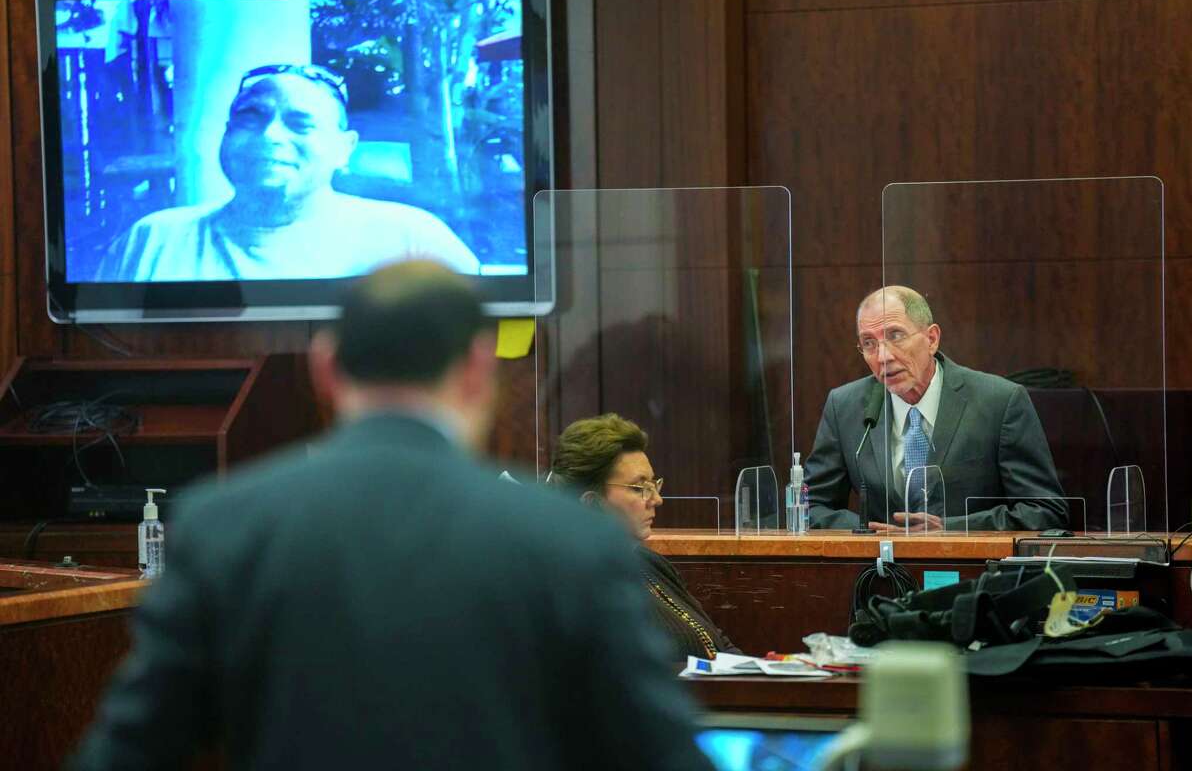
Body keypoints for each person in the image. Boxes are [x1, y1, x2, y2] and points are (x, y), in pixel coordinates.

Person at [69, 262, 712, 771]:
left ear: (325, 367)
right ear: (478, 370)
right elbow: (657, 752)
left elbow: (129, 752)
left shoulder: (222, 528)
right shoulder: (570, 538)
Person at [97, 63, 480, 282]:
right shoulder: (151, 241)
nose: (270, 135)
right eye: (250, 118)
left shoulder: (410, 241)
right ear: (226, 134)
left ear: (343, 149)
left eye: (300, 124)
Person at [804, 285, 1067, 532]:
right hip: (880, 574)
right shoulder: (845, 406)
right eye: (869, 343)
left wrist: (947, 530)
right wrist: (867, 530)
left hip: (972, 573)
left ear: (931, 339)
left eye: (895, 335)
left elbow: (1044, 511)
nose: (883, 356)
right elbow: (809, 507)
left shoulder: (999, 401)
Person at [550, 414, 741, 660]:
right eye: (641, 489)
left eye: (654, 485)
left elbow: (716, 643)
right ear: (591, 503)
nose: (657, 500)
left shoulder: (650, 562)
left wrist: (771, 674)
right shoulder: (574, 586)